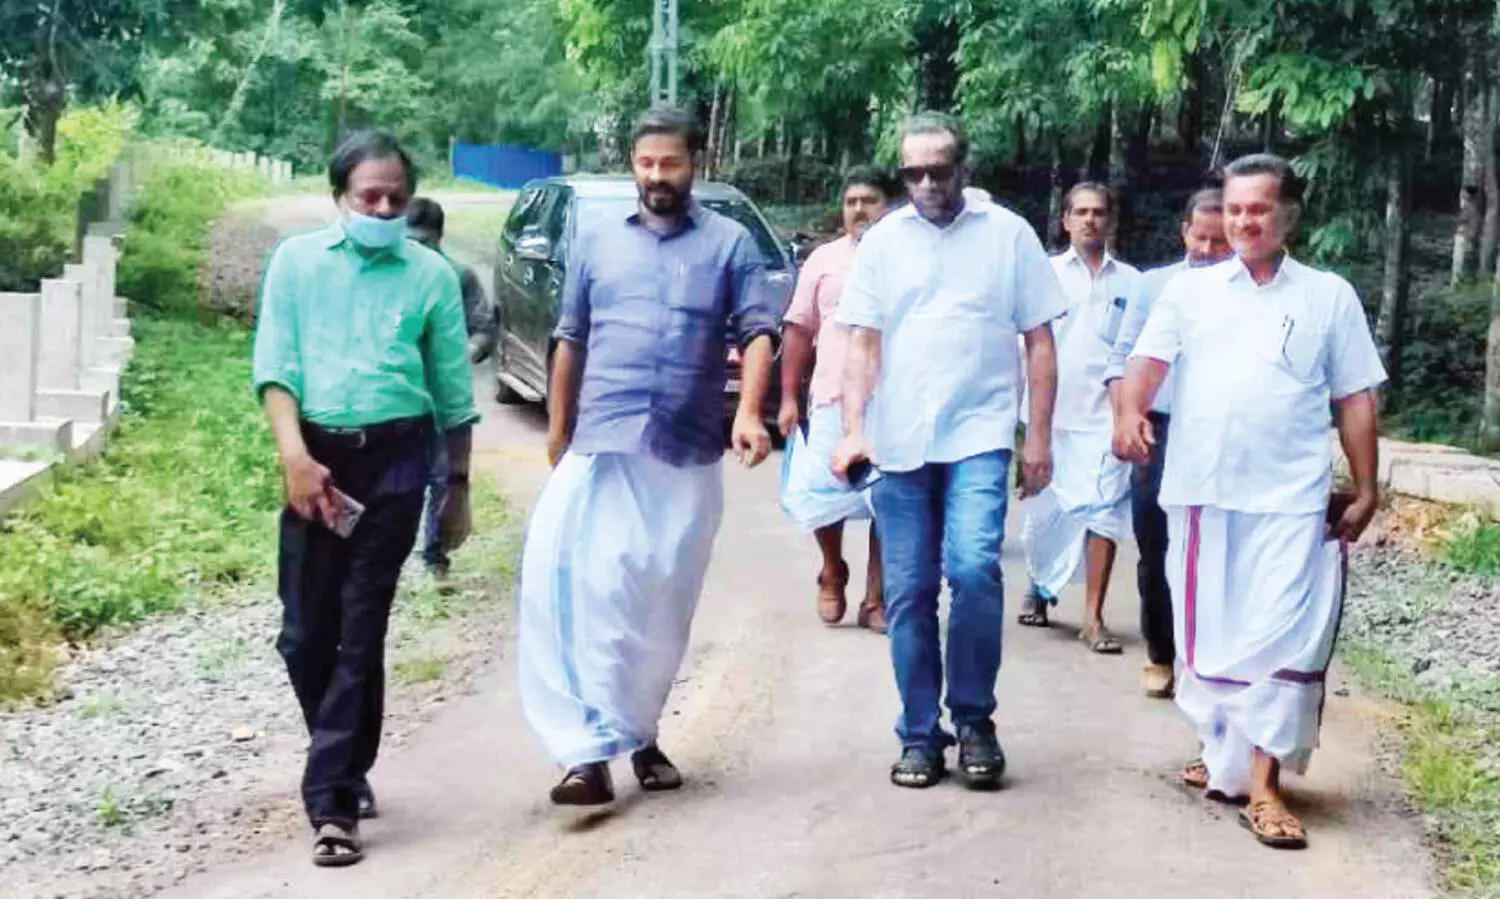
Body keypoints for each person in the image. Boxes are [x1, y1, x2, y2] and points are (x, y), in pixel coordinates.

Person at [1113, 153, 1384, 849]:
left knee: (1281, 636)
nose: (1243, 221)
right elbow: (1145, 364)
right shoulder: (1191, 291)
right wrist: (1130, 412)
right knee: (1209, 639)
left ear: (1288, 214)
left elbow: (1355, 397)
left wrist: (1368, 485)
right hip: (1202, 492)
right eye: (1234, 209)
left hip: (1290, 498)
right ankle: (1225, 755)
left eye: (1258, 209)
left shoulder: (1329, 296)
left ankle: (1264, 786)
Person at [518, 105, 779, 806]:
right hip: (603, 443)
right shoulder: (597, 242)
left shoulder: (729, 244)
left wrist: (748, 412)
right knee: (595, 591)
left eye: (671, 163)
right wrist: (558, 427)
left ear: (696, 163)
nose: (657, 175)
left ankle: (641, 734)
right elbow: (570, 336)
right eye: (646, 162)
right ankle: (586, 755)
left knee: (661, 607)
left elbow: (758, 332)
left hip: (687, 450)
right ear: (632, 164)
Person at [252, 131, 478, 867]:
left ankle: (333, 804)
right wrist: (296, 458)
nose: (383, 209)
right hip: (315, 458)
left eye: (395, 199)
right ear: (339, 197)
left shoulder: (430, 276)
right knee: (302, 635)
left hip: (396, 463)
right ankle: (346, 758)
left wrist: (457, 489)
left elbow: (453, 392)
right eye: (369, 197)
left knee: (360, 627)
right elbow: (276, 366)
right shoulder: (297, 264)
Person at [832, 112, 1064, 790]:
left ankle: (974, 720)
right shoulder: (884, 241)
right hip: (900, 439)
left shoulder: (1008, 235)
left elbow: (1040, 341)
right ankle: (918, 733)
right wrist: (853, 429)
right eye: (913, 173)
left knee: (974, 570)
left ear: (964, 168)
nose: (927, 184)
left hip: (979, 434)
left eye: (939, 170)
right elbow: (861, 341)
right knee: (908, 590)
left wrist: (1038, 436)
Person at [1103, 188, 1231, 697]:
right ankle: (1160, 652)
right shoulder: (1156, 285)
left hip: (1223, 432)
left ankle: (1211, 659)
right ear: (1184, 232)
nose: (1207, 250)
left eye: (1218, 242)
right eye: (1200, 238)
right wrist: (1126, 417)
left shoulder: (1249, 293)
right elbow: (1121, 358)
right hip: (1159, 427)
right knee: (1156, 543)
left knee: (1217, 546)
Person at [1018, 183, 1143, 655]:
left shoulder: (1133, 283)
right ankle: (1039, 586)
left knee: (1104, 512)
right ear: (1066, 220)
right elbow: (1022, 349)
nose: (1090, 220)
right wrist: (1025, 423)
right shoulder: (1043, 276)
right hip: (1050, 417)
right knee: (1046, 519)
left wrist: (1132, 414)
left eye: (1099, 212)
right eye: (1081, 212)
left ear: (1111, 221)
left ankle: (1093, 616)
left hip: (1108, 417)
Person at [777, 165, 899, 633]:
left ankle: (876, 598)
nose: (859, 210)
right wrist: (788, 397)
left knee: (889, 499)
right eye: (851, 202)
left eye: (869, 201)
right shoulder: (824, 260)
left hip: (894, 399)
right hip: (831, 395)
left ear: (890, 206)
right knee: (822, 493)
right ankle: (832, 569)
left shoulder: (907, 259)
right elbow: (798, 328)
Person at [404, 197, 495, 580]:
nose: (417, 249)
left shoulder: (459, 277)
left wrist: (459, 357)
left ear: (439, 238)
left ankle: (435, 557)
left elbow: (483, 329)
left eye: (424, 242)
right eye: (410, 241)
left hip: (444, 401)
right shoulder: (391, 277)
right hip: (398, 398)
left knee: (445, 478)